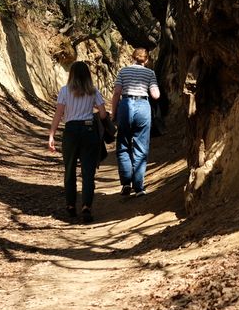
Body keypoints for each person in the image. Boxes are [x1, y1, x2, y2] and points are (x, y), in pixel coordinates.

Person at [48, 61, 109, 223]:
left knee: (69, 170)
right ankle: (86, 207)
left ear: (71, 74)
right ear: (88, 75)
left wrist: (52, 134)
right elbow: (103, 114)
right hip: (89, 132)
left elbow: (59, 114)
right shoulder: (93, 91)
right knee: (88, 172)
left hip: (71, 132)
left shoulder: (64, 91)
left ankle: (70, 205)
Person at [111, 48, 160, 196]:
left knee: (123, 144)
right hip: (143, 107)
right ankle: (138, 187)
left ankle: (126, 182)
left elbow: (117, 93)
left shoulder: (123, 71)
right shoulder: (150, 73)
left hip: (125, 105)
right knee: (141, 146)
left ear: (133, 57)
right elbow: (156, 95)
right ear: (146, 60)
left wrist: (114, 113)